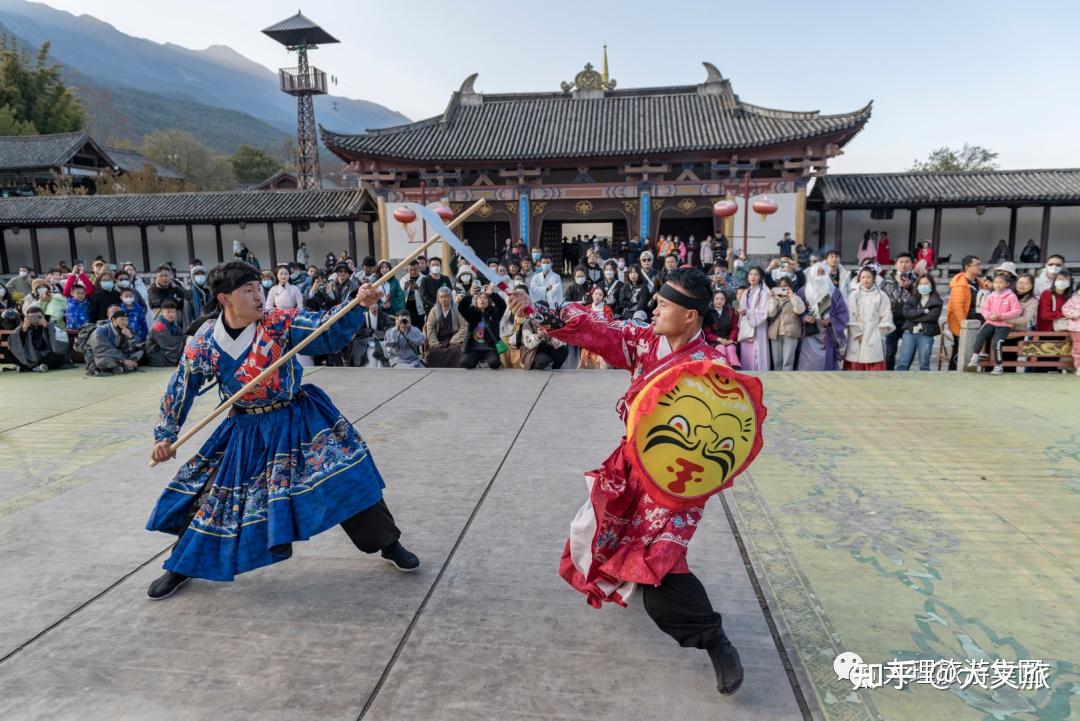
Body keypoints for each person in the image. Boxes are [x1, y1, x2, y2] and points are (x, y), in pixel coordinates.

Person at [507, 267, 761, 697]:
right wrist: (538, 311)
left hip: (677, 486)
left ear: (691, 317)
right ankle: (641, 579)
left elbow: (732, 431)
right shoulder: (646, 341)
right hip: (631, 468)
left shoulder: (713, 369)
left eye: (664, 305)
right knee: (597, 536)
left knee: (659, 573)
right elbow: (599, 328)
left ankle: (715, 642)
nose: (654, 309)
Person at [144, 261, 419, 600]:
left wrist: (357, 302)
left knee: (346, 475)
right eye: (249, 291)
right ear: (225, 298)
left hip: (299, 418)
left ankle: (389, 544)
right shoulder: (205, 343)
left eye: (259, 289)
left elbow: (325, 328)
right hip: (247, 429)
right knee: (213, 496)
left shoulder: (278, 323)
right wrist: (165, 435)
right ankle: (182, 565)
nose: (259, 297)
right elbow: (181, 387)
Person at [968, 271, 1022, 375]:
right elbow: (985, 309)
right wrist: (989, 316)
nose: (998, 285)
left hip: (1004, 324)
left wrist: (1002, 316)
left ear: (1007, 284)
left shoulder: (1011, 296)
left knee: (997, 342)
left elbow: (1017, 311)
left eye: (1001, 282)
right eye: (996, 282)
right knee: (981, 335)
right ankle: (975, 357)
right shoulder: (991, 296)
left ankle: (998, 366)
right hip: (990, 322)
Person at [844, 267, 894, 371]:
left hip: (873, 333)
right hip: (856, 335)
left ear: (873, 278)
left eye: (868, 277)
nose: (865, 280)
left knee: (873, 359)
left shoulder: (881, 295)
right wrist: (857, 333)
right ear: (859, 279)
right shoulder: (853, 295)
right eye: (863, 277)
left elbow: (886, 315)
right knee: (855, 362)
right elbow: (850, 315)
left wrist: (879, 333)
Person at [946, 256, 988, 370]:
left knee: (973, 350)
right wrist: (963, 327)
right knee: (959, 350)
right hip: (965, 323)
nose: (980, 267)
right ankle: (953, 372)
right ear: (967, 267)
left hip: (978, 322)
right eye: (977, 264)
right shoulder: (960, 284)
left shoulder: (979, 283)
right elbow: (957, 308)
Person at [896, 275, 943, 372]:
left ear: (932, 285)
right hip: (909, 333)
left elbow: (932, 317)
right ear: (917, 285)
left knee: (924, 364)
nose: (923, 286)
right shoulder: (912, 298)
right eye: (921, 284)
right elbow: (906, 313)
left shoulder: (937, 300)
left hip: (926, 333)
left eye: (926, 283)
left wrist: (914, 316)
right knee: (903, 362)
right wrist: (924, 311)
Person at [879, 253, 915, 369]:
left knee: (908, 350)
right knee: (890, 351)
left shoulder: (917, 279)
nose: (904, 265)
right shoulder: (887, 280)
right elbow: (881, 298)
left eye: (907, 262)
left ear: (912, 264)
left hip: (909, 320)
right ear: (896, 264)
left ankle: (904, 371)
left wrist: (910, 286)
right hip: (892, 319)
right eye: (901, 262)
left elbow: (922, 297)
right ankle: (889, 373)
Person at [459, 284, 507, 369]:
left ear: (489, 301)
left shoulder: (494, 312)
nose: (482, 300)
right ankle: (478, 363)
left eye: (485, 298)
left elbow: (502, 305)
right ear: (476, 301)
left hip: (490, 348)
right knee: (465, 362)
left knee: (494, 363)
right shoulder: (472, 312)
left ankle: (484, 362)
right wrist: (469, 295)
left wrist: (492, 294)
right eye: (480, 298)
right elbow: (461, 308)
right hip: (473, 348)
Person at [9, 305, 70, 372]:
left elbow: (61, 341)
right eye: (31, 317)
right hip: (31, 355)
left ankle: (30, 367)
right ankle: (35, 367)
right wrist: (24, 329)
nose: (35, 319)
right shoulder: (24, 326)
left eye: (38, 317)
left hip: (47, 355)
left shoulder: (51, 325)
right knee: (9, 353)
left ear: (43, 316)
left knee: (59, 355)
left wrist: (46, 326)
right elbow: (15, 343)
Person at [85, 305, 143, 376]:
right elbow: (103, 349)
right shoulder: (101, 331)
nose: (125, 322)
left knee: (141, 351)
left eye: (126, 320)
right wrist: (123, 360)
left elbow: (131, 348)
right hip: (100, 355)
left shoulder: (126, 329)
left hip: (118, 355)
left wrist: (130, 338)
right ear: (113, 319)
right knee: (104, 360)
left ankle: (119, 367)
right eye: (122, 319)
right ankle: (121, 366)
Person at [766, 277, 805, 371]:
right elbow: (770, 314)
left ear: (790, 287)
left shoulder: (795, 298)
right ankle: (778, 383)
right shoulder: (774, 299)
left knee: (788, 362)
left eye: (785, 286)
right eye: (781, 286)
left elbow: (800, 310)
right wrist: (773, 299)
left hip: (791, 334)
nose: (783, 288)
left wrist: (792, 296)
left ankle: (788, 382)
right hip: (775, 334)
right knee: (777, 363)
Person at [423, 286, 467, 368]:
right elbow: (430, 328)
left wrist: (456, 339)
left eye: (446, 296)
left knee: (455, 351)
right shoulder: (434, 311)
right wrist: (434, 342)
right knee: (434, 352)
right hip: (438, 339)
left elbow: (464, 326)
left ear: (450, 297)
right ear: (438, 298)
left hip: (452, 339)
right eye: (441, 297)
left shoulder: (457, 309)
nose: (444, 299)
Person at [737, 267, 770, 371]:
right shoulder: (746, 292)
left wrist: (748, 312)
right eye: (751, 274)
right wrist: (741, 311)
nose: (753, 277)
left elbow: (764, 312)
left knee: (757, 353)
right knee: (746, 353)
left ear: (760, 277)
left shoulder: (764, 292)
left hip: (758, 327)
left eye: (756, 275)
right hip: (747, 325)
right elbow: (742, 307)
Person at [579, 286, 615, 369]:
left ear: (603, 297)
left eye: (600, 295)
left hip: (602, 337)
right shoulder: (587, 308)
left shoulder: (607, 309)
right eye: (595, 294)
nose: (597, 296)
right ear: (592, 295)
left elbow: (610, 323)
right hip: (588, 337)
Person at [702, 289, 740, 368]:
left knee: (731, 348)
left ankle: (735, 367)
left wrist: (731, 340)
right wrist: (720, 340)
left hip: (729, 339)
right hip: (715, 341)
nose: (719, 301)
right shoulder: (708, 313)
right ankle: (722, 367)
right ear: (713, 300)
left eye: (722, 299)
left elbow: (735, 328)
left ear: (725, 300)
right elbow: (707, 332)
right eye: (717, 299)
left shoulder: (730, 311)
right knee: (721, 348)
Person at [146, 300, 184, 367]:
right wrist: (182, 339)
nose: (171, 314)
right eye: (168, 312)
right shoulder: (158, 326)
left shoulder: (174, 325)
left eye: (173, 312)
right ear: (162, 313)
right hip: (158, 357)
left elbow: (182, 335)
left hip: (166, 354)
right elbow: (169, 344)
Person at [1061, 289, 1080, 376]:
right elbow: (1065, 310)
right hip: (1077, 328)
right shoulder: (1074, 299)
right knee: (1078, 349)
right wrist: (1077, 314)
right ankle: (1079, 367)